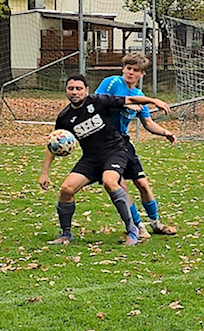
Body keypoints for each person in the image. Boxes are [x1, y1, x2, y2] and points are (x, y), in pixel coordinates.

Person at [39, 75, 171, 245]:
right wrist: (44, 174)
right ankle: (66, 234)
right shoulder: (65, 117)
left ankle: (132, 230)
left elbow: (130, 99)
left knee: (110, 182)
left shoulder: (99, 101)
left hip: (114, 152)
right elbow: (53, 144)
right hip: (90, 159)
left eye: (79, 88)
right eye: (71, 88)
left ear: (86, 90)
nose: (74, 92)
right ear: (66, 91)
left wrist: (153, 100)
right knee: (66, 189)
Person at [96, 53, 180, 239]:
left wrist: (166, 132)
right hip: (103, 142)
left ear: (142, 74)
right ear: (123, 69)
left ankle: (155, 223)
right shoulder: (112, 83)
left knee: (142, 183)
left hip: (123, 142)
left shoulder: (139, 96)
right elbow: (96, 104)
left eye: (135, 70)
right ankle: (137, 225)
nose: (130, 72)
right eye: (128, 68)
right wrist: (124, 106)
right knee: (120, 185)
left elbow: (148, 123)